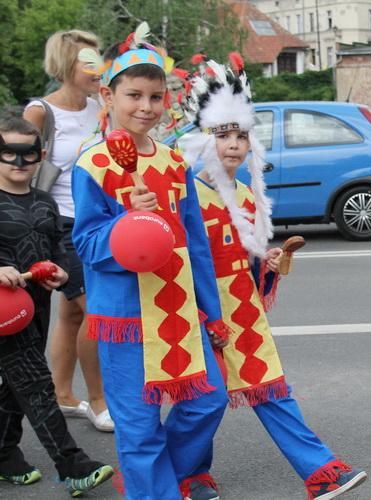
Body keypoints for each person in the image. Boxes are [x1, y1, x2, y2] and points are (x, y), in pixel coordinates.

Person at [182, 56, 367, 500]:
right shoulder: (187, 194)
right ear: (204, 138)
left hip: (244, 312)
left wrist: (265, 262)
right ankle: (185, 473)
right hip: (201, 313)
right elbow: (182, 265)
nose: (233, 145)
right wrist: (204, 315)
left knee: (271, 390)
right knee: (202, 403)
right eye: (222, 135)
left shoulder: (248, 196)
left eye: (241, 135)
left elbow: (244, 261)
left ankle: (320, 472)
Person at [71, 24, 229, 500]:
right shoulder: (92, 164)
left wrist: (212, 311)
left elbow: (195, 246)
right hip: (124, 316)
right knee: (138, 426)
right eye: (134, 95)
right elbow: (87, 244)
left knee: (208, 400)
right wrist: (127, 224)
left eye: (155, 97)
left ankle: (169, 477)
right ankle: (154, 490)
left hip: (179, 309)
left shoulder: (175, 164)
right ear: (108, 95)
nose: (146, 106)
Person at [0, 117, 114, 496]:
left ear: (42, 155)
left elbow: (58, 252)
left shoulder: (46, 203)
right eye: (9, 153)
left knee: (16, 384)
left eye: (28, 154)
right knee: (35, 384)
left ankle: (3, 454)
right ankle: (72, 464)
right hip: (3, 315)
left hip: (36, 311)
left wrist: (62, 274)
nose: (19, 162)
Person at [23, 29, 114, 433]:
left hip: (97, 220)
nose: (97, 70)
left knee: (73, 313)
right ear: (66, 66)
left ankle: (61, 393)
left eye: (99, 62)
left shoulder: (101, 108)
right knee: (95, 309)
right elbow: (15, 168)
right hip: (58, 223)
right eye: (87, 63)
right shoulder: (41, 112)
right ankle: (98, 400)